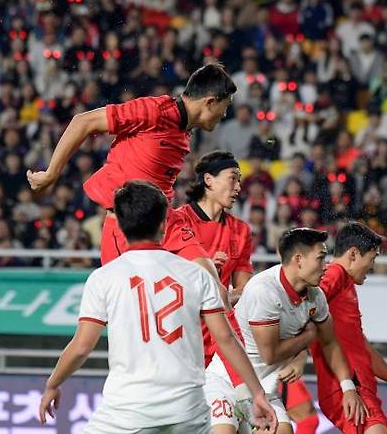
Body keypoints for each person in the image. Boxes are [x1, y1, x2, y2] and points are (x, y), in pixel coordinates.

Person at [38, 180, 277, 434]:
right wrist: (257, 393)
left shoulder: (104, 278)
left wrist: (53, 383)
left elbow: (82, 346)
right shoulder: (197, 275)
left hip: (127, 410)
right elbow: (226, 338)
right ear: (164, 224)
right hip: (187, 411)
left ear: (119, 224)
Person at [26, 63, 236, 269]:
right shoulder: (155, 111)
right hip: (128, 230)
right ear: (210, 102)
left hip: (161, 223)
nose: (224, 114)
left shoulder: (183, 130)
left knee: (206, 276)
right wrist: (51, 174)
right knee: (139, 298)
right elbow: (83, 122)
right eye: (224, 107)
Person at [179, 151, 319, 434]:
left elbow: (245, 289)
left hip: (226, 341)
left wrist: (225, 293)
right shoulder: (178, 222)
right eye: (233, 179)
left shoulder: (240, 230)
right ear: (208, 180)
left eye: (240, 180)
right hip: (183, 338)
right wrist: (205, 278)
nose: (239, 188)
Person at [207, 227, 368, 433]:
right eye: (320, 258)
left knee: (284, 431)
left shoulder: (316, 297)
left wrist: (348, 387)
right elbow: (270, 355)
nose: (326, 266)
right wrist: (309, 336)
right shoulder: (264, 290)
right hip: (227, 382)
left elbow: (329, 342)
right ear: (299, 259)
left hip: (265, 389)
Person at [310, 222, 387, 434]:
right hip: (349, 387)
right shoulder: (335, 273)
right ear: (354, 254)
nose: (373, 266)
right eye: (373, 258)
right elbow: (306, 307)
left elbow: (361, 346)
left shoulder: (345, 284)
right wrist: (292, 360)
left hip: (358, 387)